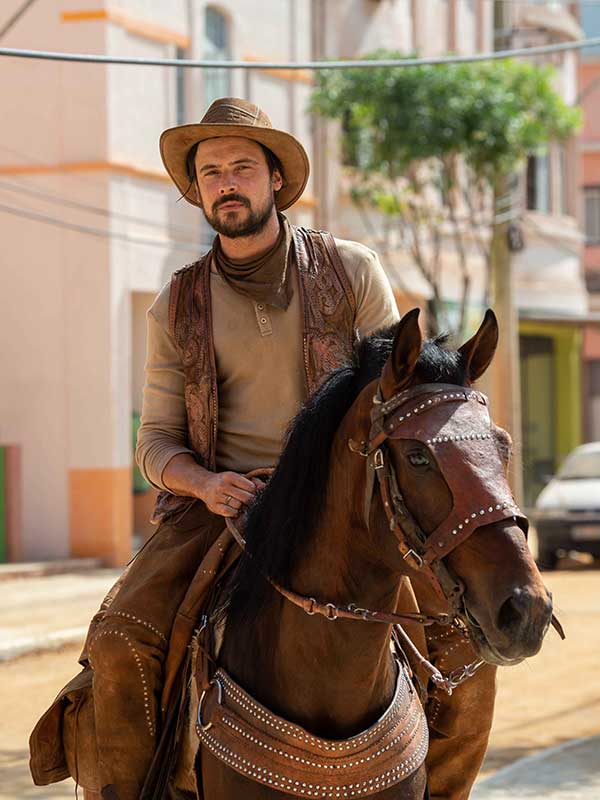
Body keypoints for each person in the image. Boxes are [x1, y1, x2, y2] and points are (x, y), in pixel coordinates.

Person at [83, 98, 495, 799]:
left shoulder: (351, 269)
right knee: (120, 642)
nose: (226, 181)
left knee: (468, 649)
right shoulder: (175, 305)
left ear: (276, 180)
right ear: (198, 191)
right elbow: (153, 440)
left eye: (243, 166)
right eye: (210, 171)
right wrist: (203, 483)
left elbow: (400, 389)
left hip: (350, 506)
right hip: (222, 507)